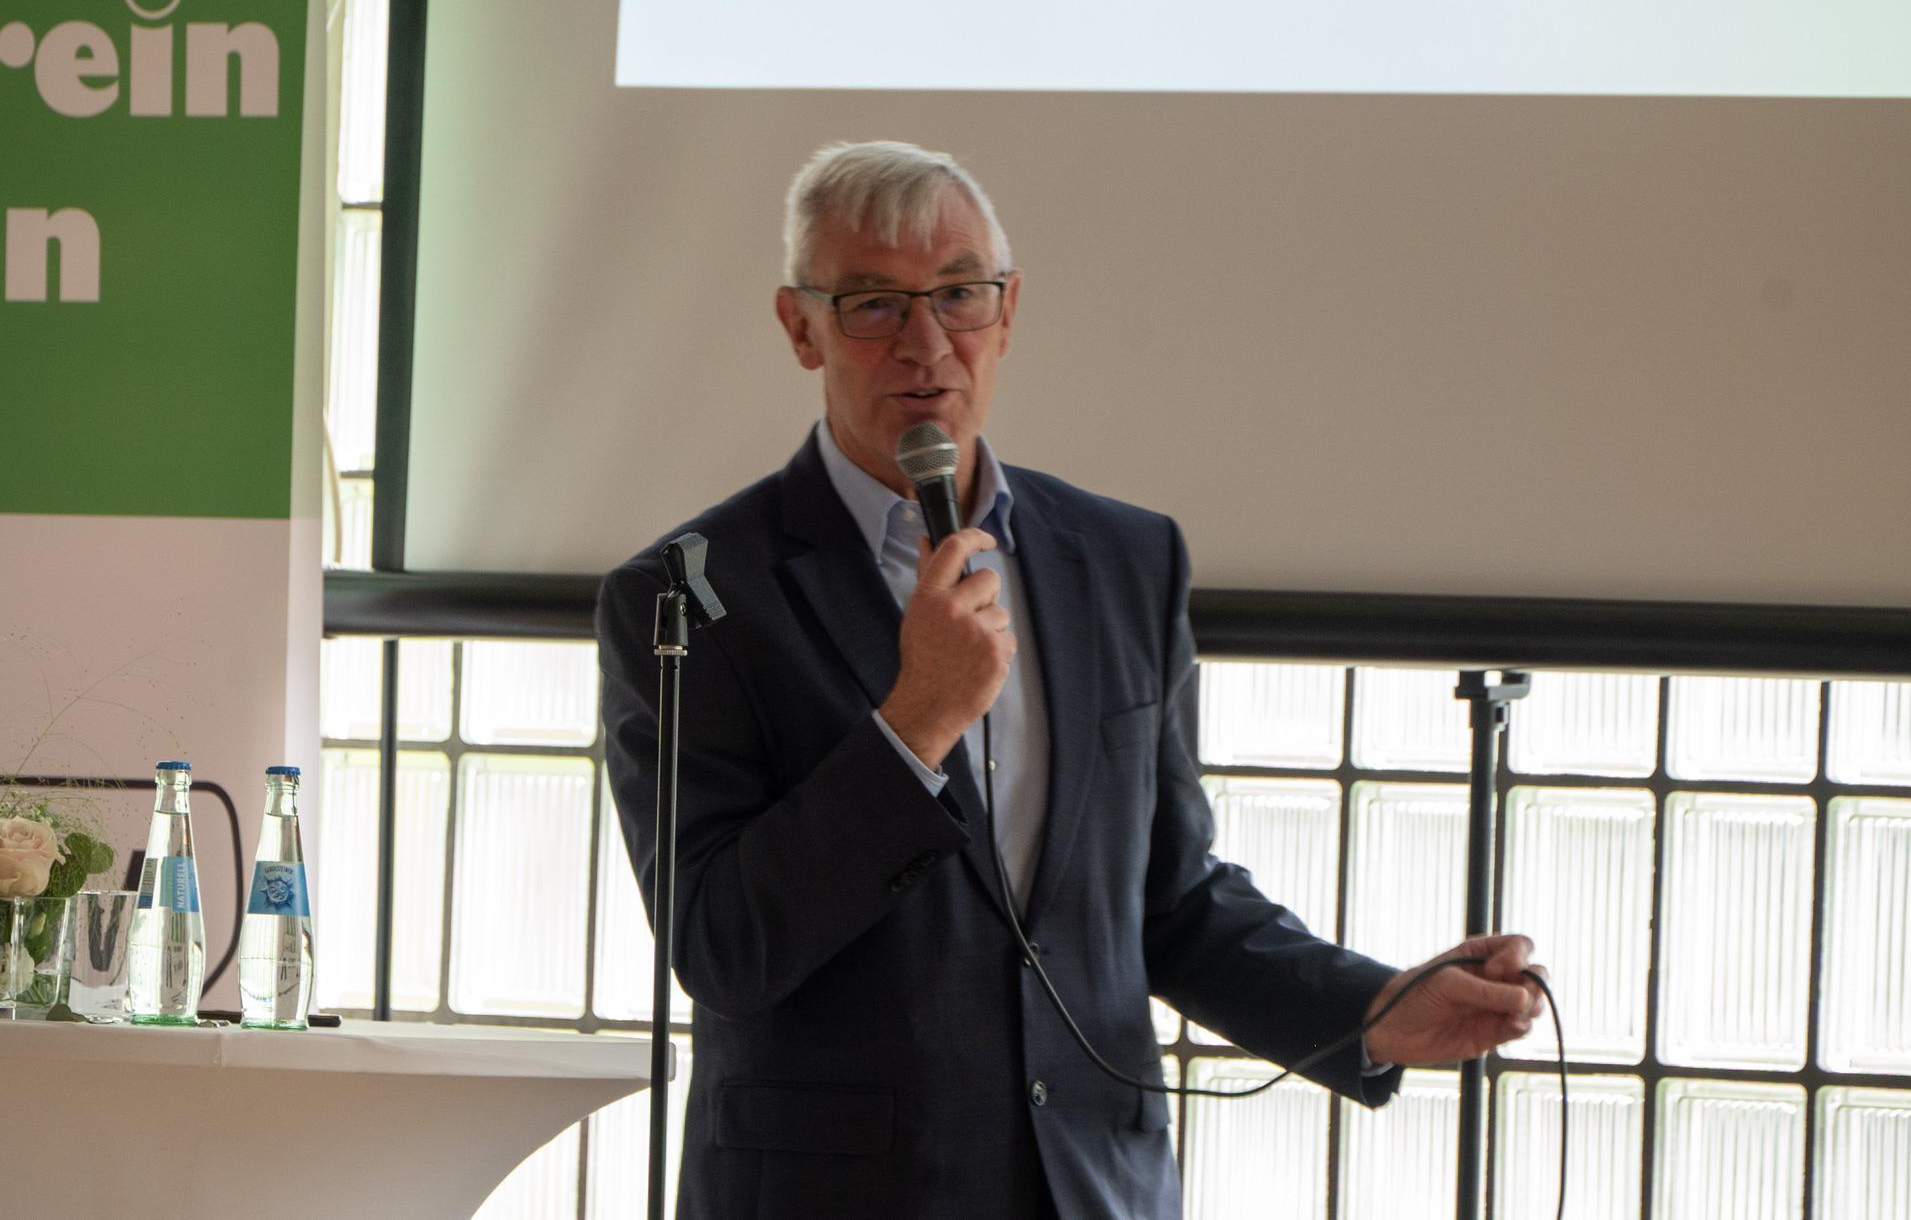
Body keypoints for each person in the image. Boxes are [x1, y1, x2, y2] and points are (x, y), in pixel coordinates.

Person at [598, 140, 1544, 1219]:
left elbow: (1169, 899)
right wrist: (917, 722)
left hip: (1091, 1187)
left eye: (959, 294)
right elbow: (723, 945)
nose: (926, 343)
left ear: (1007, 313)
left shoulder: (1126, 559)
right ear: (799, 324)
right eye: (872, 304)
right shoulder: (691, 594)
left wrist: (1372, 1010)